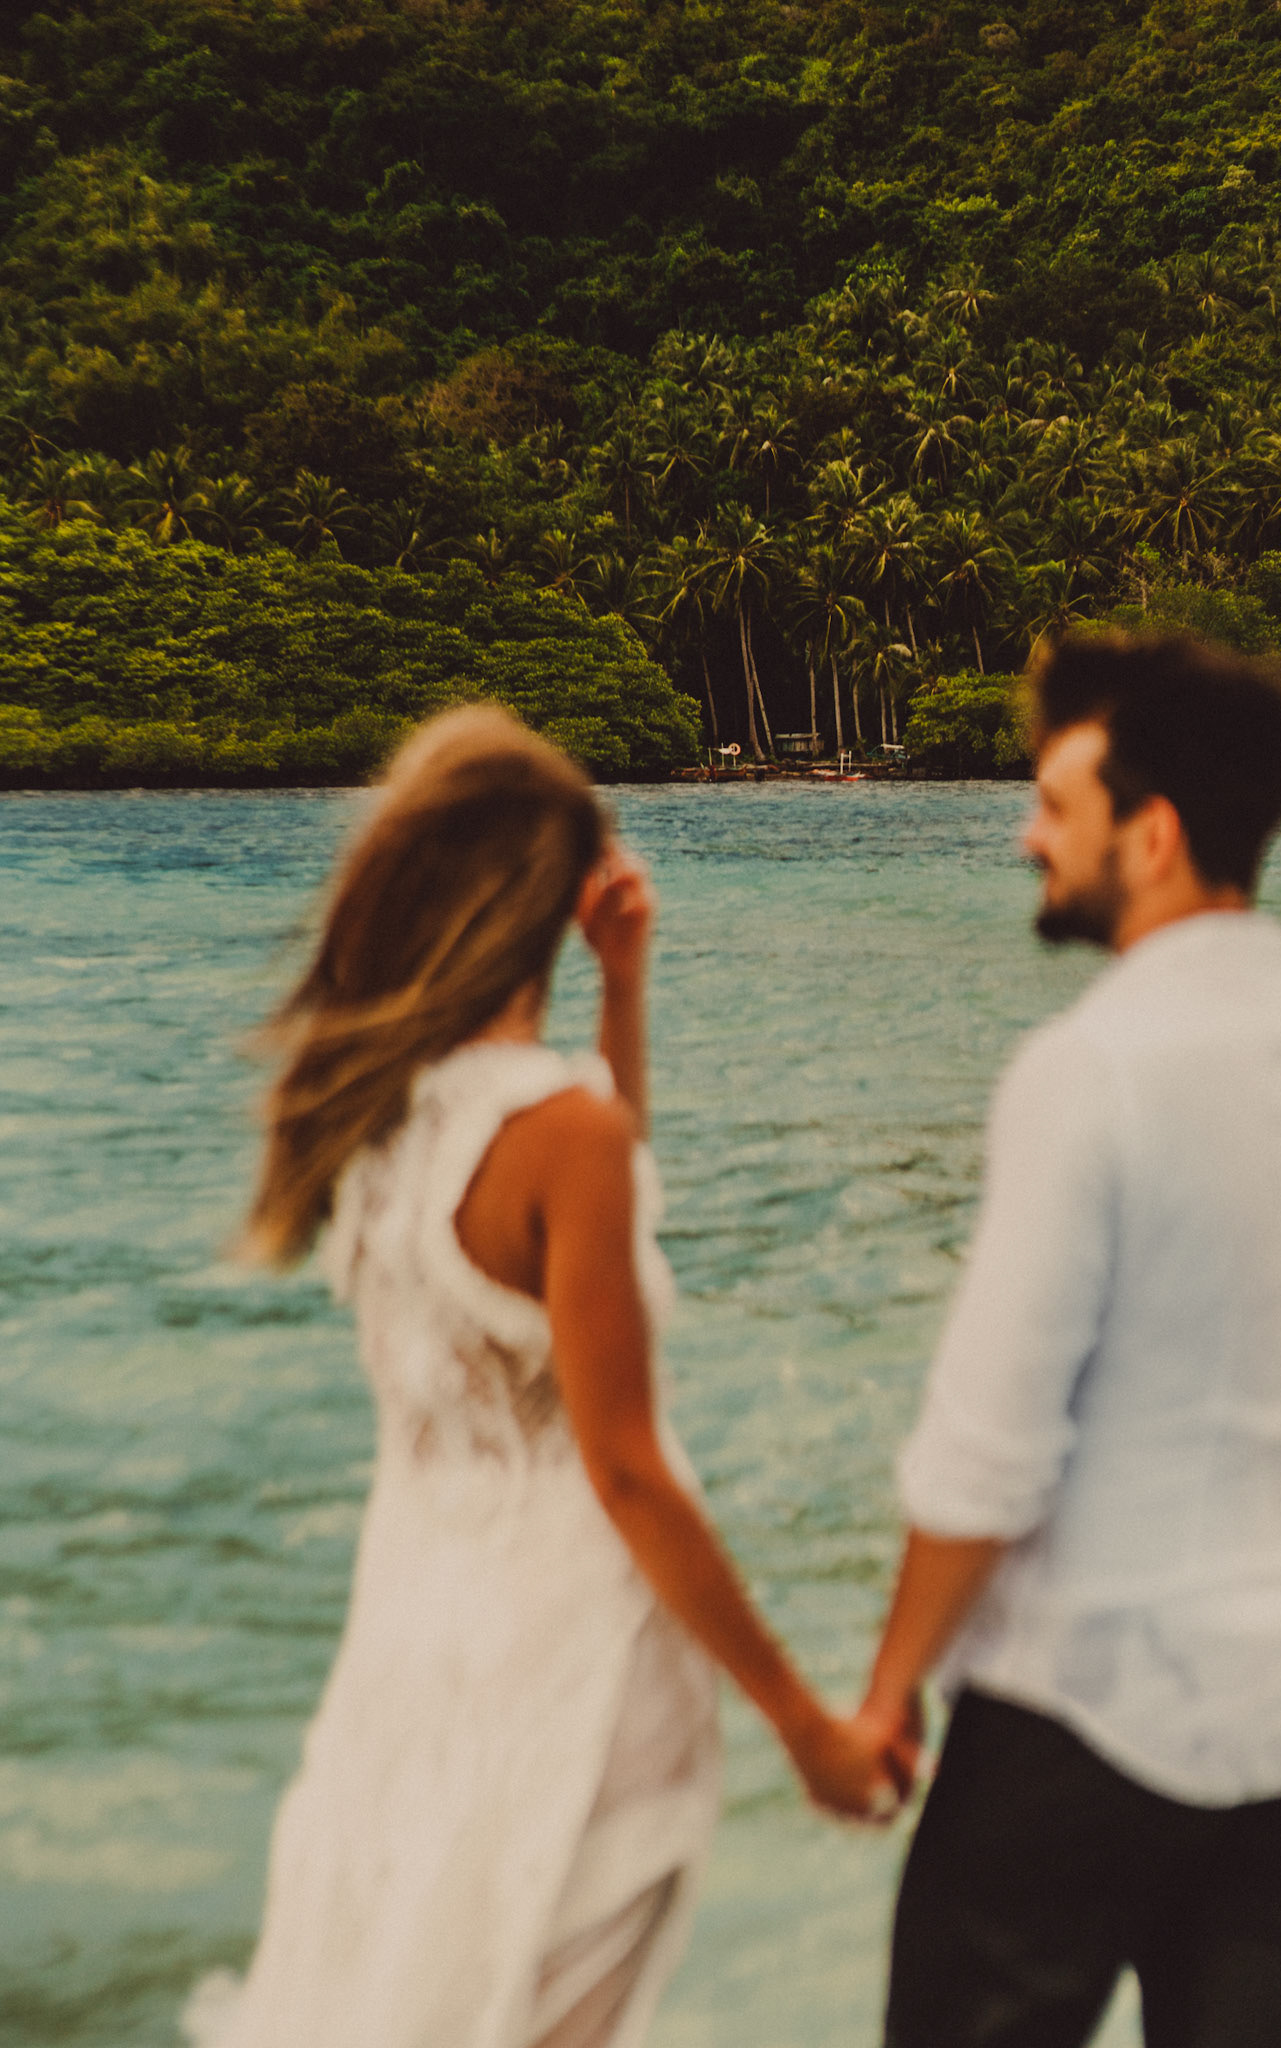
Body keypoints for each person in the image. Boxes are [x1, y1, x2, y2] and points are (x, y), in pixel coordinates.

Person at [185, 705, 897, 2048]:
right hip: (575, 1670)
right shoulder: (559, 1133)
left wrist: (621, 992)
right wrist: (804, 1725)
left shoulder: (385, 1117)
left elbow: (590, 1219)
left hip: (413, 1655)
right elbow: (625, 1467)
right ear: (554, 900)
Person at [856, 632, 1281, 2048]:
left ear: (1155, 834)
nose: (1028, 838)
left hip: (1083, 1722)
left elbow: (986, 1457)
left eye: (1056, 807)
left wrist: (887, 1695)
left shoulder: (1089, 1073)